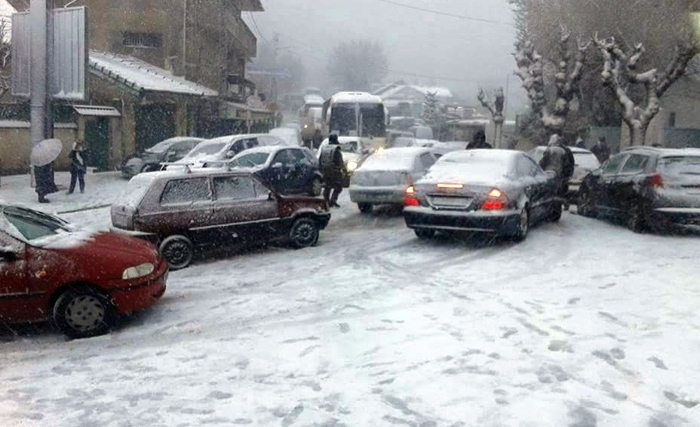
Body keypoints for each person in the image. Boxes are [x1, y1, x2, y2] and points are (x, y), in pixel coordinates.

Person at [539, 134, 575, 209]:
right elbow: (567, 164)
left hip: (548, 173)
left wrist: (540, 169)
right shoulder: (563, 151)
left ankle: (548, 203)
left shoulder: (549, 150)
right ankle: (562, 204)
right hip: (559, 173)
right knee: (560, 190)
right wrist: (567, 174)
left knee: (547, 188)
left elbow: (543, 162)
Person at [319, 134, 346, 208]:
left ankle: (326, 201)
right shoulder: (336, 149)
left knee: (327, 187)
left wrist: (321, 170)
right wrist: (343, 169)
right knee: (338, 186)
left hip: (325, 171)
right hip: (335, 171)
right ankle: (333, 200)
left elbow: (320, 160)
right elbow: (340, 162)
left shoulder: (324, 148)